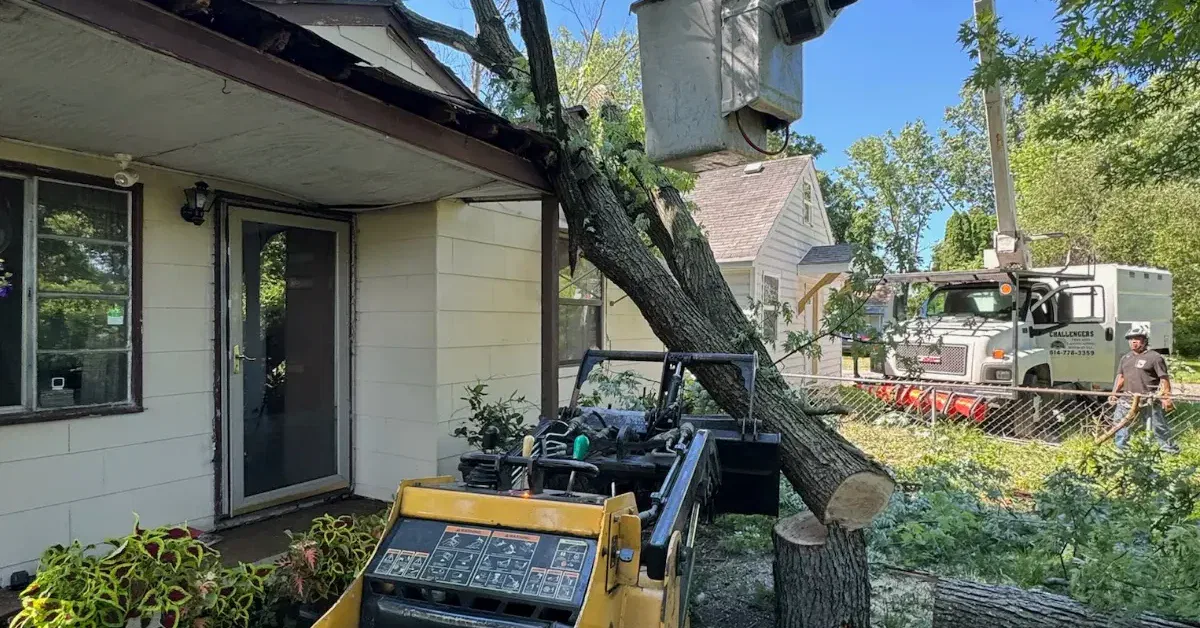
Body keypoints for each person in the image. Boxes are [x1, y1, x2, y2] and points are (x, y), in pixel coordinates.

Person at [1109, 322, 1178, 453]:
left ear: (1145, 340)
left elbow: (1164, 378)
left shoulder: (1155, 357)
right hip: (1127, 399)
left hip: (1149, 399)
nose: (1133, 342)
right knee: (1120, 425)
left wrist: (1167, 397)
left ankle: (1169, 451)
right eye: (1130, 339)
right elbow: (1121, 377)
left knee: (1158, 426)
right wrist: (1114, 393)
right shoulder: (1126, 358)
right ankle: (1121, 451)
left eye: (1137, 339)